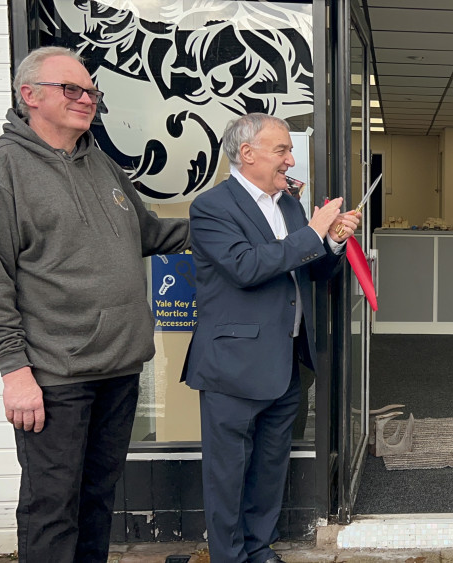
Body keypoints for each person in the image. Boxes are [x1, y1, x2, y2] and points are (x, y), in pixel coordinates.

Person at [0, 46, 191, 562]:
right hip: (54, 375)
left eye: (92, 91)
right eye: (71, 89)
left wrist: (231, 224)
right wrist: (14, 370)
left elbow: (149, 233)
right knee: (52, 508)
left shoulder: (101, 164)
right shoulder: (0, 169)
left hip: (118, 369)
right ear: (29, 96)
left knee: (97, 500)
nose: (86, 99)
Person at [182, 113, 361, 563]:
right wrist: (315, 231)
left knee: (268, 468)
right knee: (227, 475)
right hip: (233, 365)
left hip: (286, 360)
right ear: (248, 154)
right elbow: (246, 268)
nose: (290, 159)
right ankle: (230, 557)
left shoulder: (288, 205)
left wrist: (334, 241)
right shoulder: (212, 207)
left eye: (288, 150)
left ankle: (258, 548)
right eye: (281, 150)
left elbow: (310, 270)